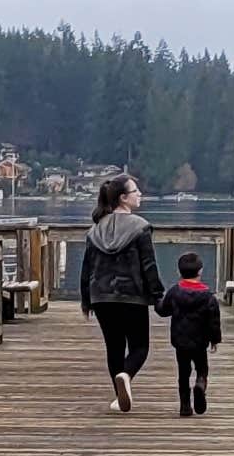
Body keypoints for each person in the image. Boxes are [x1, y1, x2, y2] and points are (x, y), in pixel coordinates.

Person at [78, 168, 163, 412]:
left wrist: (86, 301)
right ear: (123, 198)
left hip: (101, 296)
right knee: (139, 347)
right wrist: (157, 295)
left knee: (113, 347)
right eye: (136, 191)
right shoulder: (141, 227)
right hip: (132, 296)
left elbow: (87, 268)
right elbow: (149, 265)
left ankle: (119, 397)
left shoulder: (95, 230)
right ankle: (125, 376)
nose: (141, 195)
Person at [164, 246, 220, 416]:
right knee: (202, 368)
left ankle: (185, 406)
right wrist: (215, 339)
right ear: (200, 271)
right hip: (200, 341)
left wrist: (158, 299)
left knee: (183, 372)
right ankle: (201, 384)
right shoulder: (208, 296)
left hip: (180, 341)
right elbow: (214, 320)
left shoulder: (175, 291)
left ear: (179, 271)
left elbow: (163, 310)